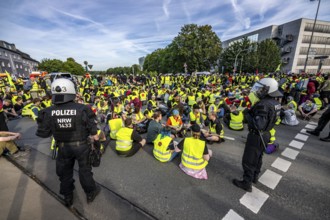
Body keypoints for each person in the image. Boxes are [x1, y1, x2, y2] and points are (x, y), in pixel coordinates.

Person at [36, 78, 101, 207]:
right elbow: (95, 134)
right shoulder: (83, 109)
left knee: (65, 173)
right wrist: (97, 146)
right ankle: (90, 193)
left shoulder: (48, 111)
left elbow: (44, 133)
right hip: (82, 146)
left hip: (63, 147)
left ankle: (68, 197)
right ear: (72, 91)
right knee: (85, 171)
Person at [233, 78, 282, 192]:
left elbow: (258, 124)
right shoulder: (275, 103)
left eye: (262, 89)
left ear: (268, 90)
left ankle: (246, 183)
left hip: (257, 135)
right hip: (266, 134)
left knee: (249, 159)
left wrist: (247, 114)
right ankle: (255, 177)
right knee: (258, 157)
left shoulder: (263, 104)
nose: (259, 91)